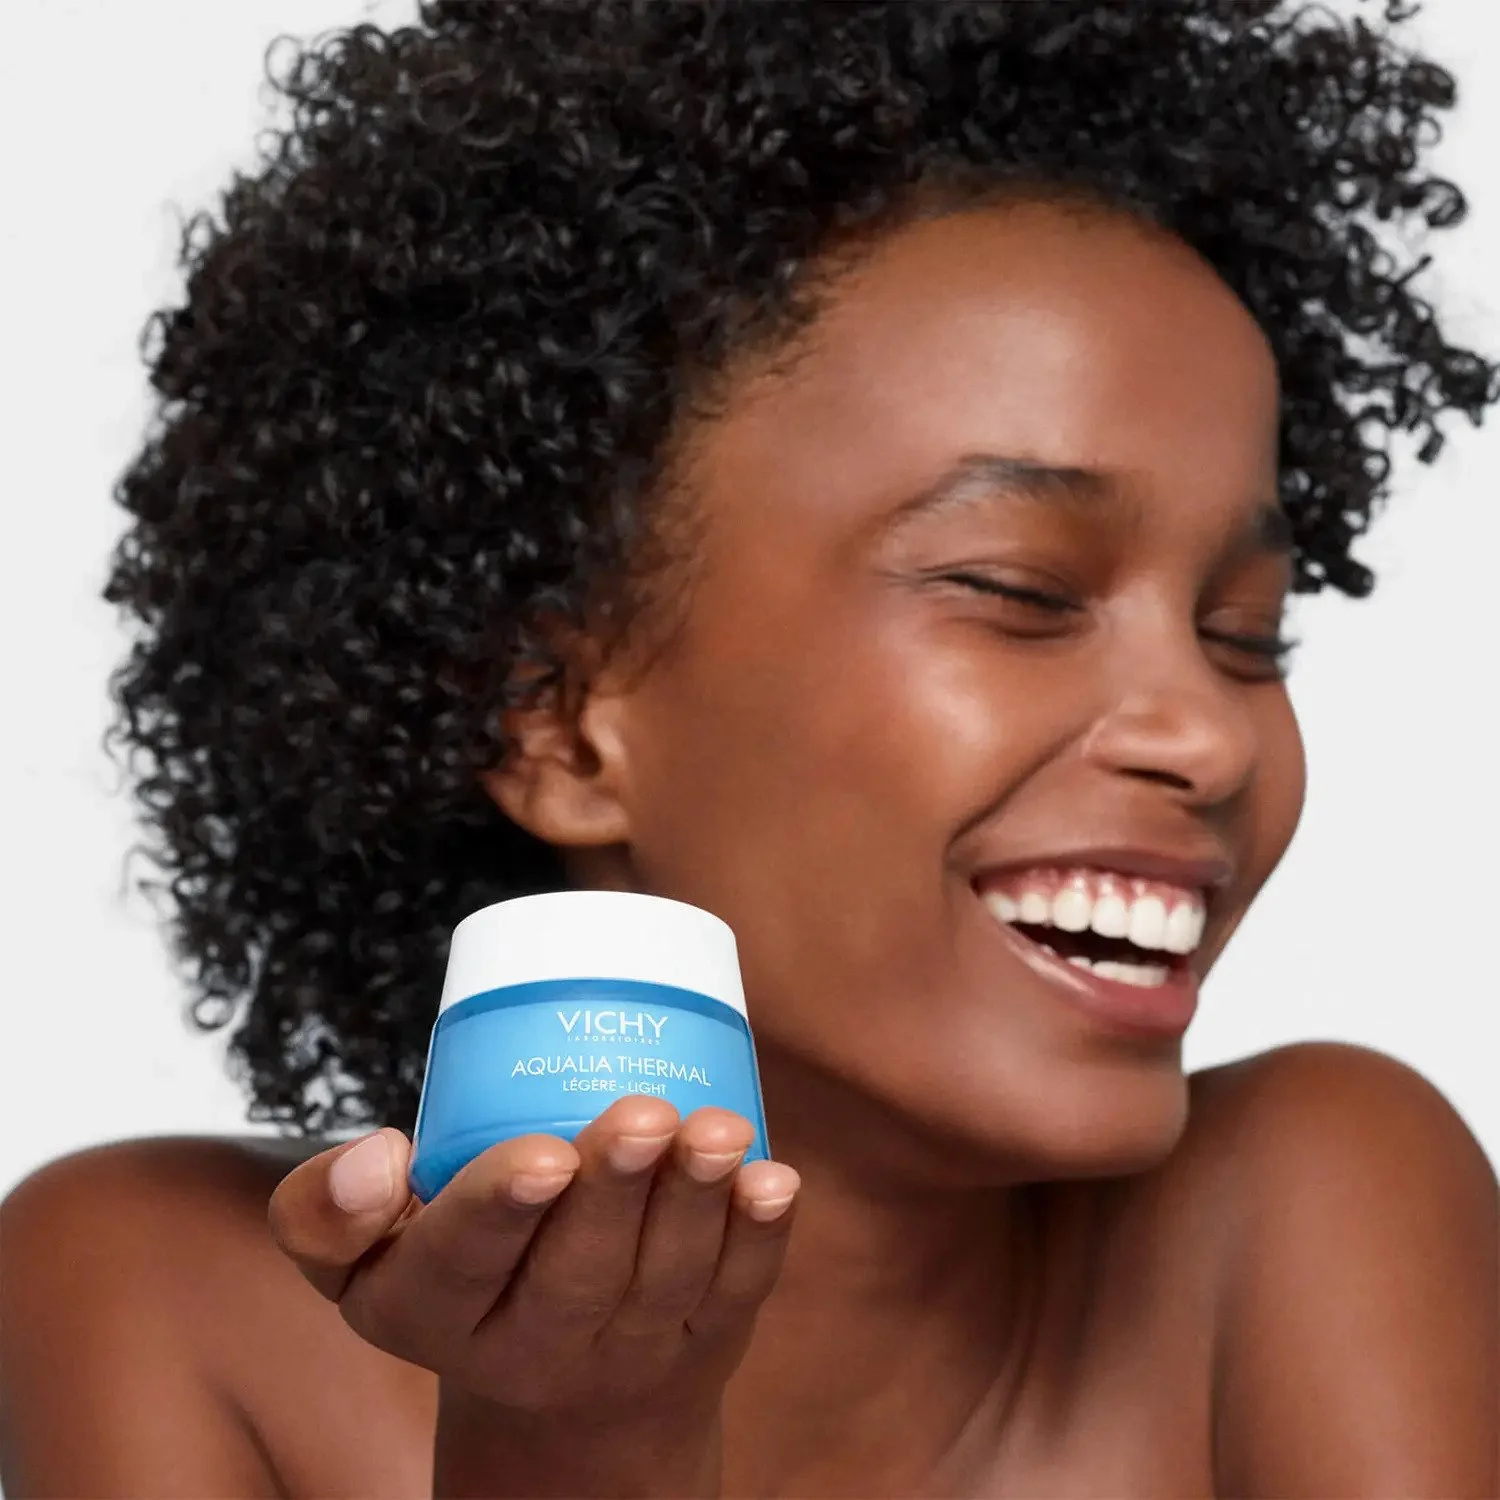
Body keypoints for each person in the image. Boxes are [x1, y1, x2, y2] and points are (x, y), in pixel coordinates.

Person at [2, 1, 1497, 1494]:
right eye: (1019, 591)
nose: (1207, 736)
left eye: (1245, 634)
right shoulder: (162, 1302)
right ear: (558, 721)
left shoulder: (1313, 1204)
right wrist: (579, 1432)